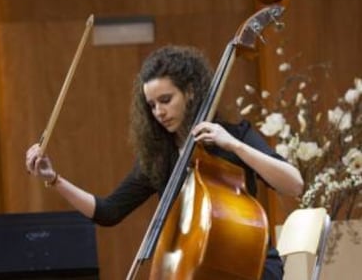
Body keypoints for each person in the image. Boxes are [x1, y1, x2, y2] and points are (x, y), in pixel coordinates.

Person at [26, 45, 303, 280]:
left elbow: (294, 184)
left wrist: (233, 144)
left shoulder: (232, 136)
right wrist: (54, 178)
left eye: (166, 100)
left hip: (251, 270)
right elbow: (108, 211)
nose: (158, 111)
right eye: (152, 105)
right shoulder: (160, 157)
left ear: (191, 92)